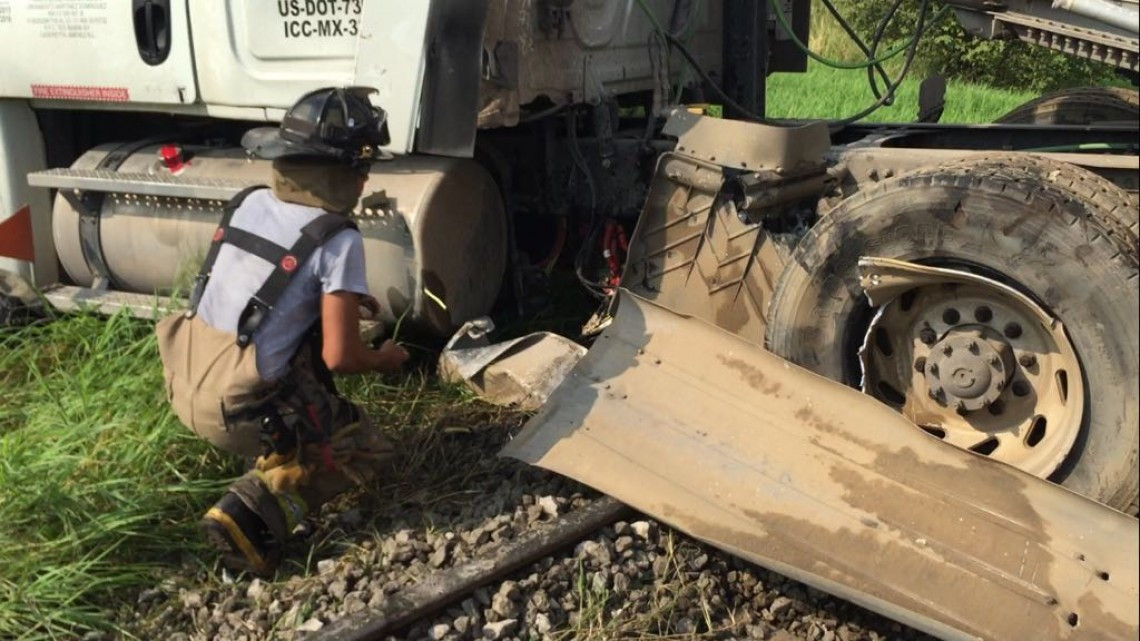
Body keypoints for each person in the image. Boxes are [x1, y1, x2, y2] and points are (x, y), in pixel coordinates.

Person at [157, 87, 409, 575]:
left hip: (187, 378)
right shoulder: (337, 236)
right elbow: (341, 358)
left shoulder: (248, 202)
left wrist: (342, 304)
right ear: (338, 171)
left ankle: (276, 455)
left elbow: (269, 290)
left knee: (302, 381)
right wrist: (387, 359)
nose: (365, 179)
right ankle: (253, 511)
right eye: (361, 167)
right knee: (364, 446)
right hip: (235, 408)